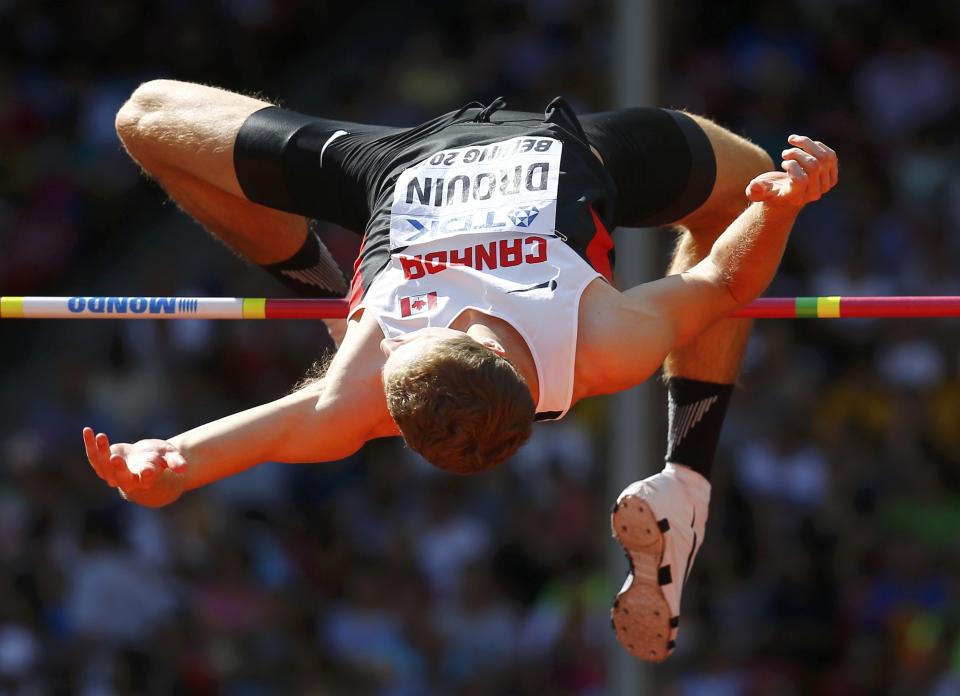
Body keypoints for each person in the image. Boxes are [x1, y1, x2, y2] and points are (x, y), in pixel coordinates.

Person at [82, 80, 838, 662]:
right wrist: (782, 202)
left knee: (144, 119)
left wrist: (167, 462)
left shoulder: (363, 388)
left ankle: (324, 290)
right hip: (573, 150)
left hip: (392, 165)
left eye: (391, 340)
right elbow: (724, 284)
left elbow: (260, 436)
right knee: (745, 185)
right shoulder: (601, 339)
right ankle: (690, 485)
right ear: (490, 350)